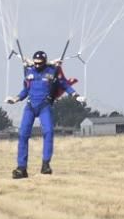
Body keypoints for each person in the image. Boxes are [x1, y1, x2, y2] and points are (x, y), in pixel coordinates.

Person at [5, 50, 84, 179]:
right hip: (30, 106)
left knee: (48, 132)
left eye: (39, 63)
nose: (36, 66)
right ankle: (21, 168)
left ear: (44, 62)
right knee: (23, 135)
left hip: (44, 106)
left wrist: (76, 96)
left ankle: (45, 165)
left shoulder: (52, 72)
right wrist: (15, 99)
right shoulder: (29, 72)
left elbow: (64, 84)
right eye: (35, 63)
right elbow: (25, 90)